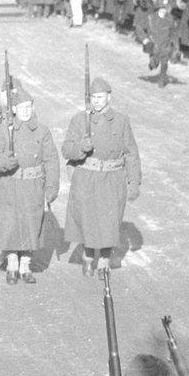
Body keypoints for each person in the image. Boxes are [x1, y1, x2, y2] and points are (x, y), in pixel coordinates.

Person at [0, 87, 61, 285]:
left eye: (28, 107)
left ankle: (26, 265)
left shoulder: (42, 131)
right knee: (11, 225)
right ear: (13, 109)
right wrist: (4, 162)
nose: (25, 111)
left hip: (33, 186)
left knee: (31, 225)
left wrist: (51, 187)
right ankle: (12, 264)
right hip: (11, 184)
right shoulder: (4, 130)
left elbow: (51, 160)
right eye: (21, 107)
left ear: (33, 107)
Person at [60, 79, 142, 274]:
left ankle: (104, 258)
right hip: (88, 176)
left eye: (100, 97)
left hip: (112, 178)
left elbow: (131, 153)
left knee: (110, 221)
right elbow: (66, 150)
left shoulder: (121, 121)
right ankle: (88, 254)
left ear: (109, 97)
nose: (96, 101)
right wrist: (81, 147)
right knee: (88, 219)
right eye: (93, 98)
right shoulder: (80, 120)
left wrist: (134, 182)